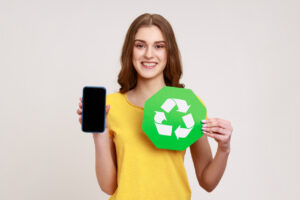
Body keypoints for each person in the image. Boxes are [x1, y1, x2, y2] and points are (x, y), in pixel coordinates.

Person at [76, 13, 233, 200]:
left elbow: (207, 182)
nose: (149, 54)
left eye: (159, 46)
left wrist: (224, 149)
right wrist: (100, 133)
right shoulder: (110, 107)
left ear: (169, 52)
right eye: (140, 45)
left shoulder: (188, 105)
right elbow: (109, 187)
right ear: (130, 51)